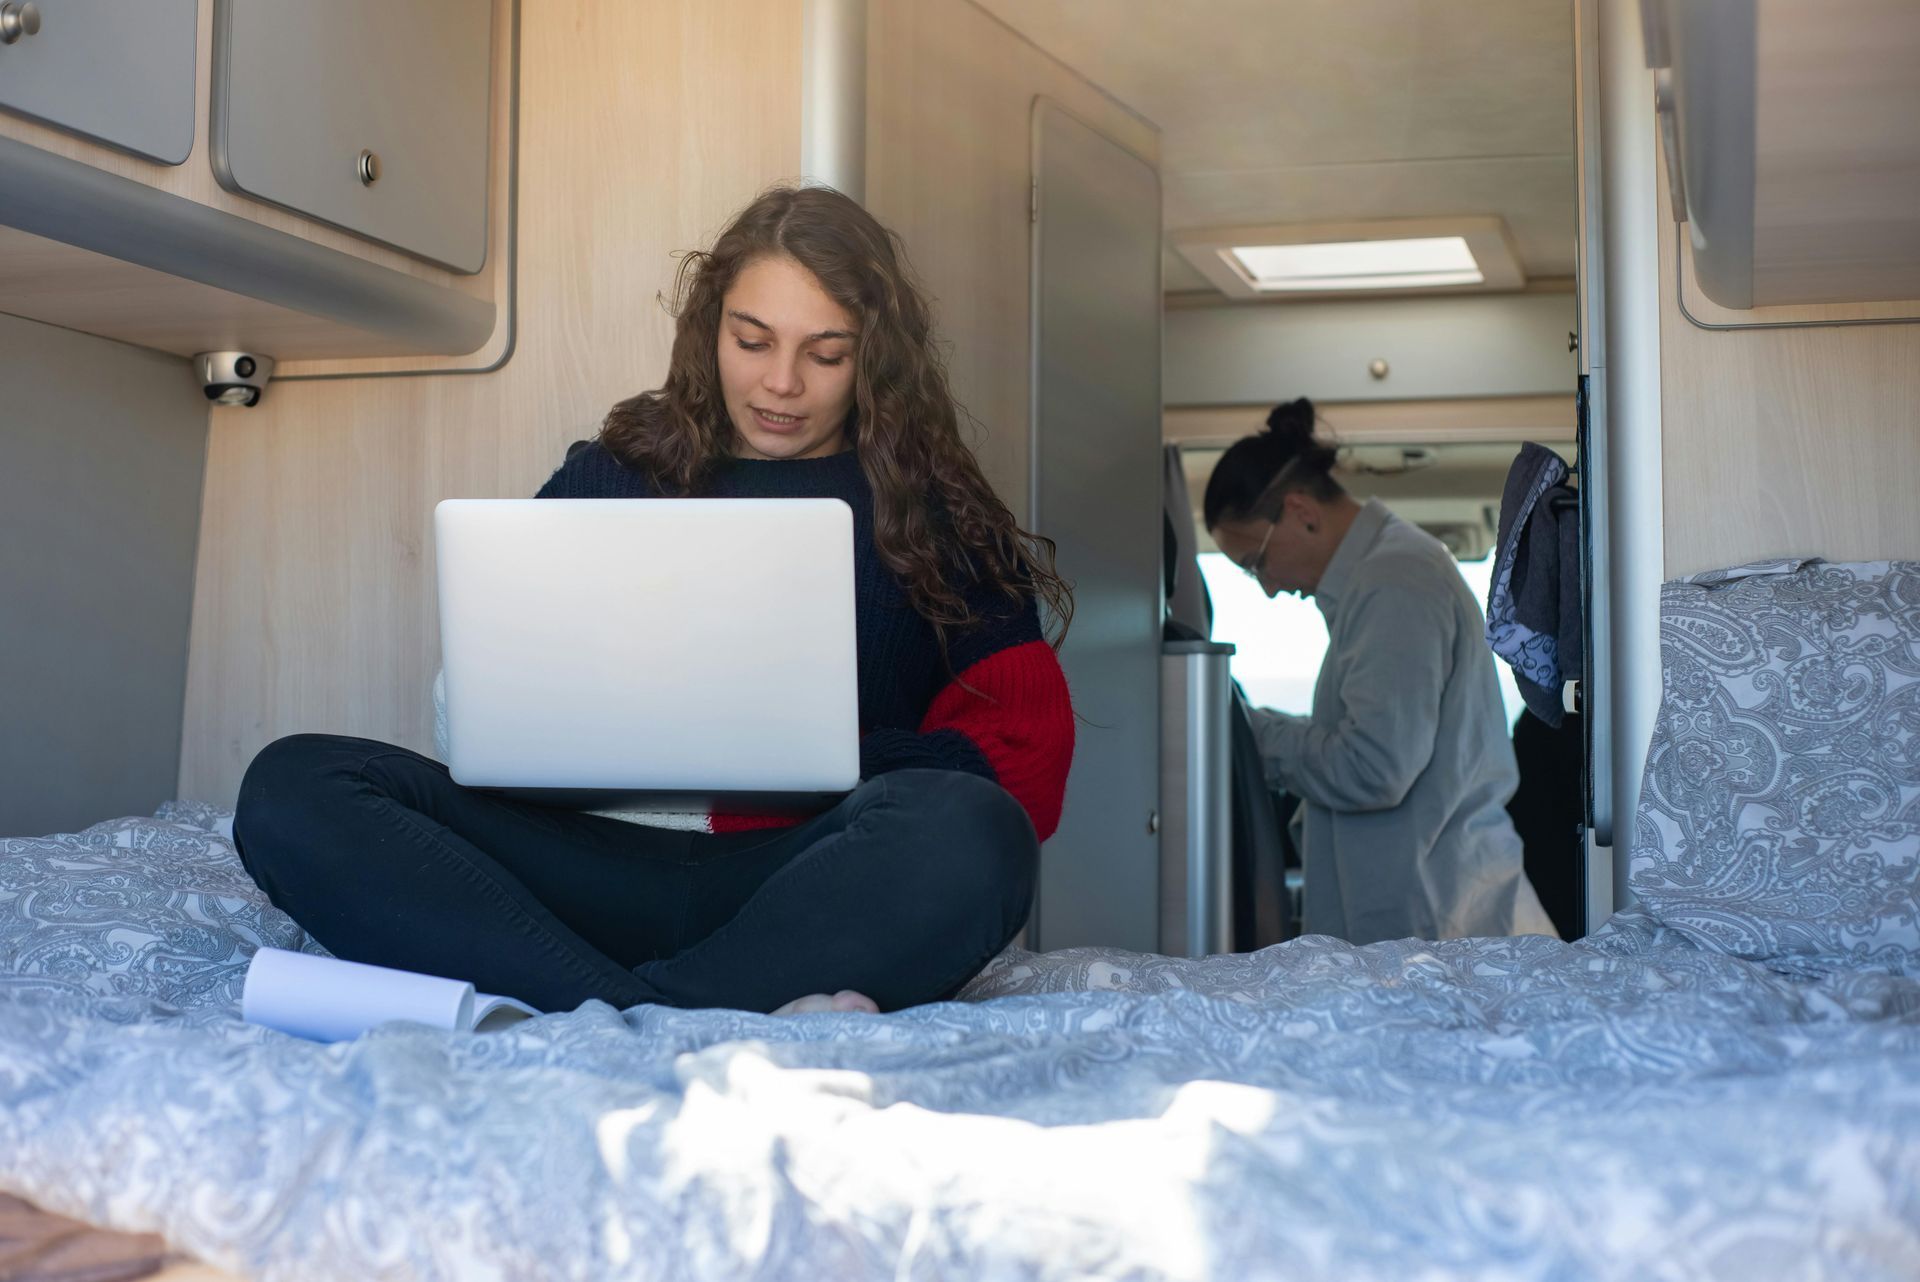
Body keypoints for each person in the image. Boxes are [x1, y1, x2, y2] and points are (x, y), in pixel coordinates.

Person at [232, 185, 1076, 1017]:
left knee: (976, 834)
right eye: (752, 341)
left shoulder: (933, 514)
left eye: (826, 354)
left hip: (792, 883)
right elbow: (477, 721)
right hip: (576, 866)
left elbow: (1027, 757)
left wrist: (833, 760)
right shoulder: (611, 473)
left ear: (875, 358)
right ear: (711, 328)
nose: (782, 382)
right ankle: (670, 1015)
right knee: (293, 785)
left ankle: (593, 1008)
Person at [1203, 398, 1553, 944]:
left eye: (1256, 563)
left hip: (1436, 924)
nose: (1267, 587)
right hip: (1425, 916)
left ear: (1301, 511)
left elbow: (1374, 767)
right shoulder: (1380, 577)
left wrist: (1248, 733)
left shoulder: (1394, 579)